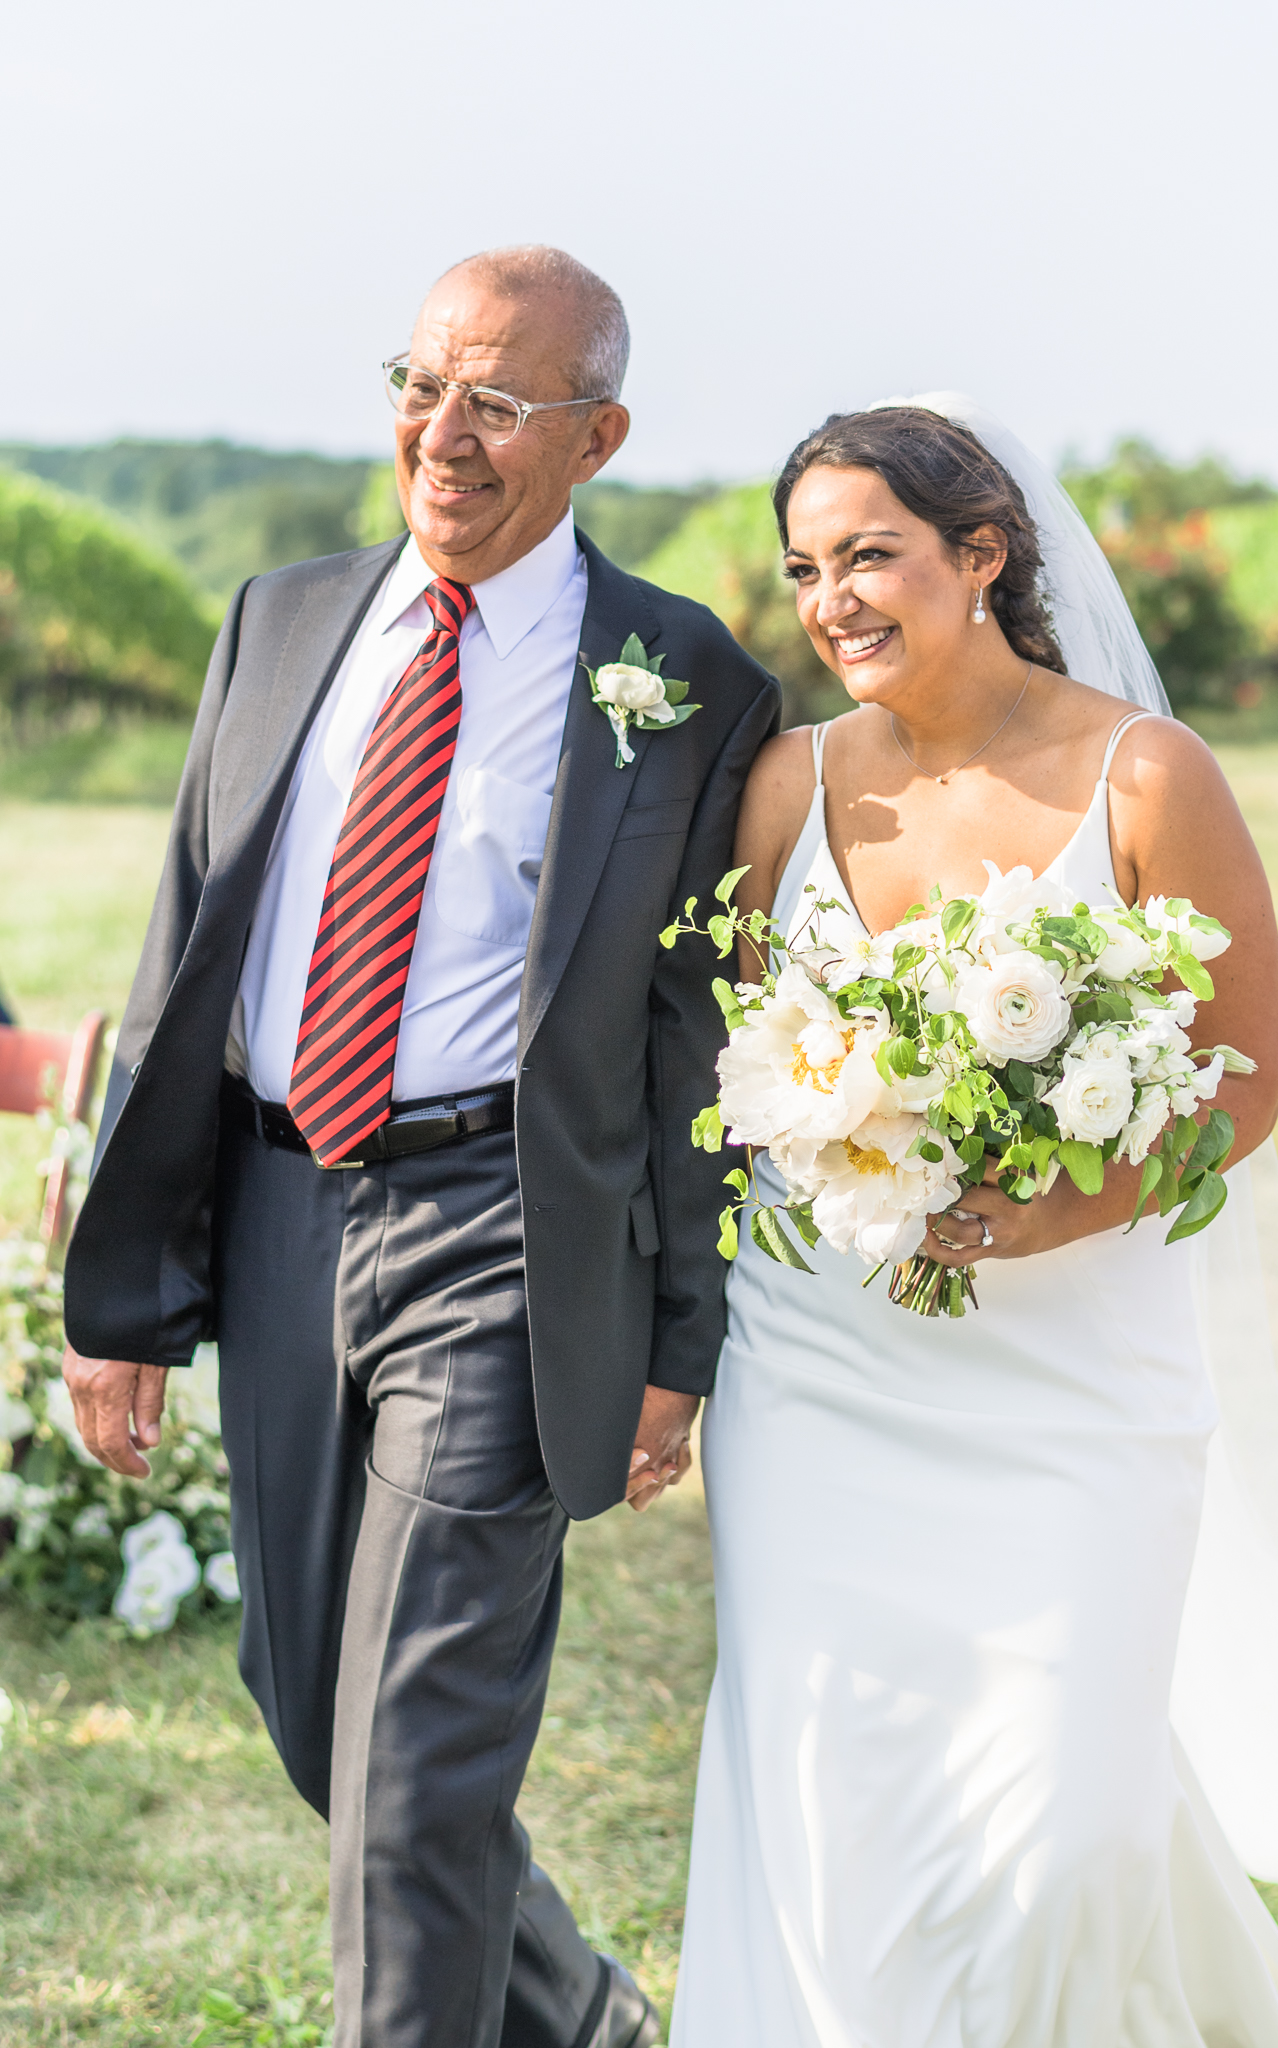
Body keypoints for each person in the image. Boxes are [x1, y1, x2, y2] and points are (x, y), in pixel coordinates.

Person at [60, 245, 780, 2048]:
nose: (439, 435)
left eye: (498, 402)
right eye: (419, 383)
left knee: (416, 1747)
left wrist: (675, 1347)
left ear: (597, 435)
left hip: (504, 1235)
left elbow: (699, 1051)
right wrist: (122, 1293)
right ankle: (584, 2018)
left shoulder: (679, 682)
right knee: (323, 1716)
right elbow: (178, 965)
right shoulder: (279, 619)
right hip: (284, 1212)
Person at [671, 398, 1278, 2044]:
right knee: (832, 1790)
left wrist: (1062, 1208)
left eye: (870, 556)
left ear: (979, 556)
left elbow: (1243, 1077)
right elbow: (751, 1066)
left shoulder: (1142, 772)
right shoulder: (787, 782)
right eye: (806, 568)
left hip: (1072, 1387)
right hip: (826, 1374)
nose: (831, 598)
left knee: (1062, 1825)